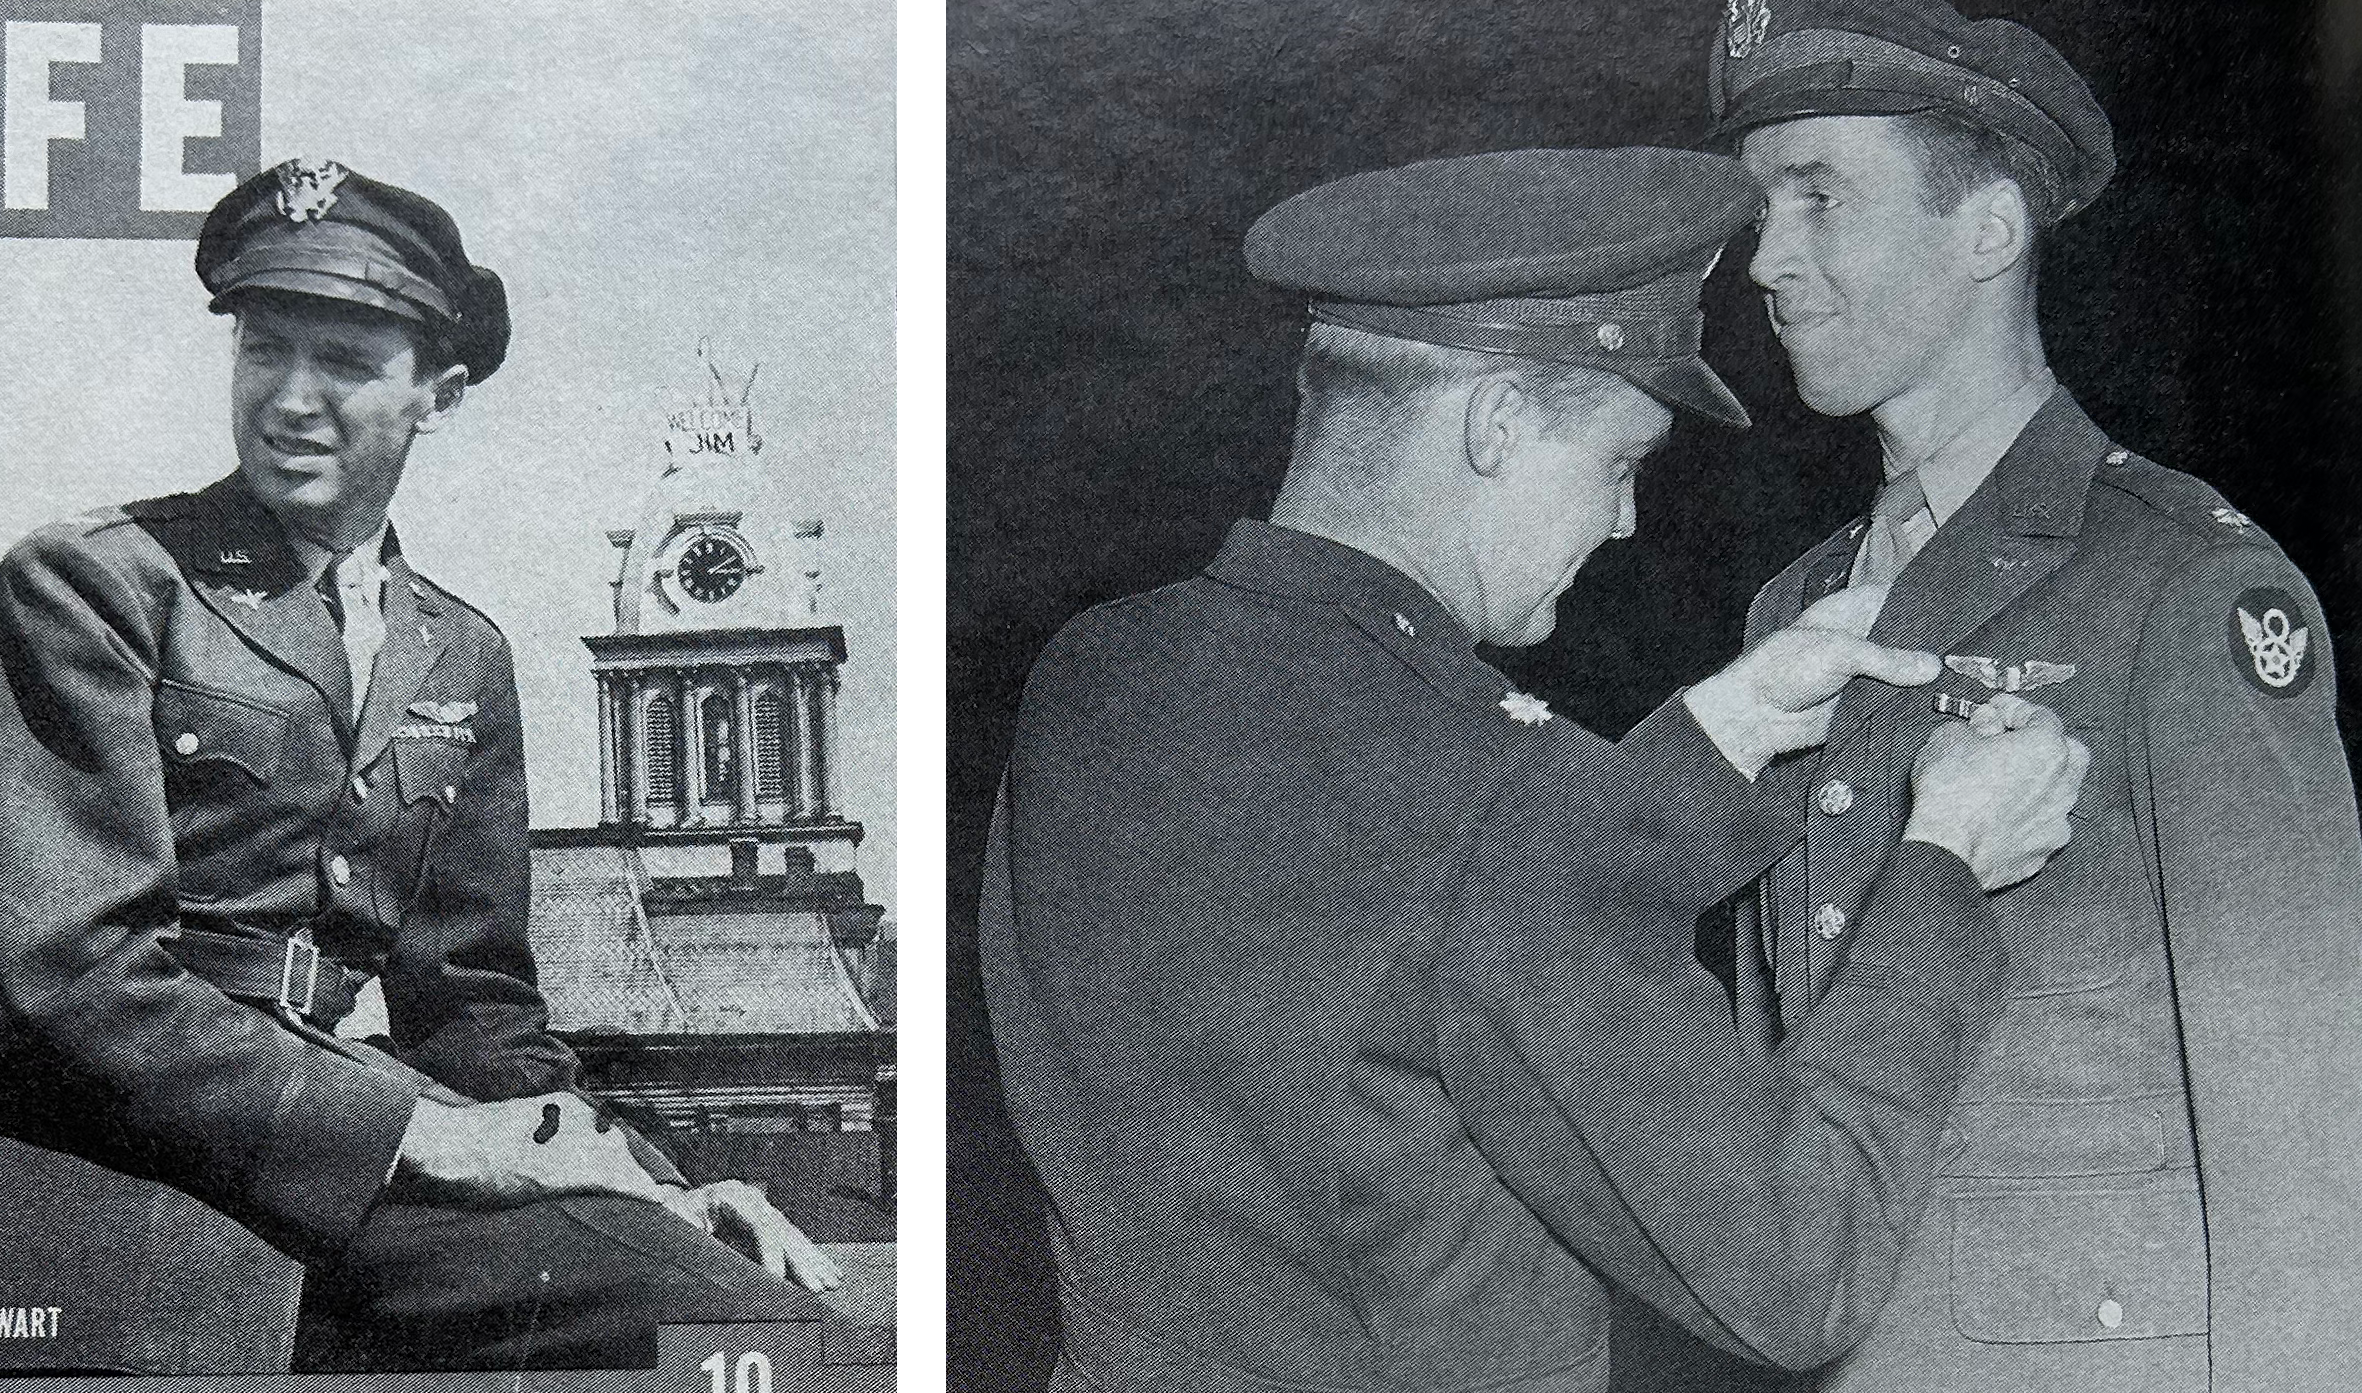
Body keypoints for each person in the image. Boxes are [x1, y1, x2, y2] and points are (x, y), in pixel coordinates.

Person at [979, 145, 2091, 1393]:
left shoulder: (1094, 671)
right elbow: (1801, 1267)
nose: (1623, 523)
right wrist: (1943, 868)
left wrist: (1711, 740)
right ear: (1496, 424)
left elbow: (1360, 918)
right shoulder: (1503, 807)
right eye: (1620, 463)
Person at [0, 159, 839, 1376]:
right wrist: (428, 1136)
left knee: (757, 1336)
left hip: (339, 1167)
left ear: (438, 392)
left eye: (346, 364)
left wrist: (659, 1183)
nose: (290, 399)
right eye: (263, 350)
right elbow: (75, 974)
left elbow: (474, 1008)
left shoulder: (457, 650)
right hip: (72, 1171)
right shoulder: (92, 583)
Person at [1692, 3, 2362, 1388]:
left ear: (1988, 231)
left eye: (1818, 197)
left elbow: (2305, 1153)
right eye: (1760, 210)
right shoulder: (1790, 618)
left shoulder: (2182, 591)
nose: (1766, 260)